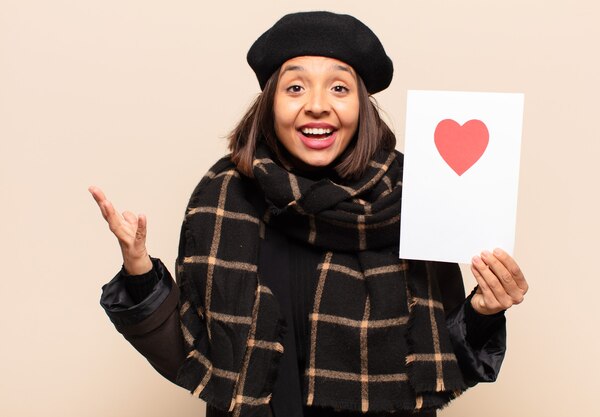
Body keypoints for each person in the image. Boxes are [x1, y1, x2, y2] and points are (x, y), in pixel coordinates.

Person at [89, 11, 528, 417]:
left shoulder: (414, 196)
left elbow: (439, 361)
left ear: (362, 107)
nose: (317, 105)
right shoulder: (223, 197)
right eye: (295, 87)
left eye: (339, 88)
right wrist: (140, 271)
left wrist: (483, 311)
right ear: (270, 104)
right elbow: (192, 355)